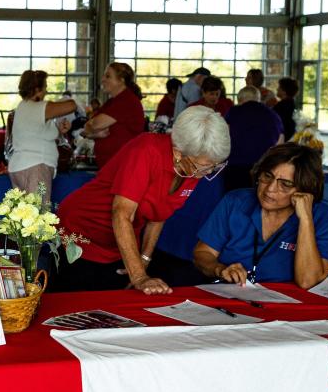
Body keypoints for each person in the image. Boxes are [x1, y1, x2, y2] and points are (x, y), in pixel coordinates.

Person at [55, 106, 231, 294]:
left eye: (214, 166)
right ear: (179, 153)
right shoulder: (146, 151)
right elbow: (122, 214)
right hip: (82, 232)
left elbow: (159, 213)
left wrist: (144, 259)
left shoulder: (192, 167)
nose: (208, 173)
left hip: (118, 241)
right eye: (204, 167)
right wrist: (139, 276)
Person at [193, 143, 328, 289]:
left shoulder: (325, 217)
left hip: (289, 304)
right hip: (231, 296)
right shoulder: (235, 202)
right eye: (267, 176)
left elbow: (308, 281)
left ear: (305, 189)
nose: (270, 189)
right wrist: (219, 269)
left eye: (285, 184)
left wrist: (306, 220)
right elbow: (203, 253)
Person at [7, 70, 78, 202]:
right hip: (36, 169)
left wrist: (59, 130)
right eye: (45, 86)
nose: (47, 91)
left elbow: (38, 133)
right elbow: (72, 105)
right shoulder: (40, 107)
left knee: (24, 216)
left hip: (21, 167)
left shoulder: (23, 106)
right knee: (39, 216)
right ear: (37, 88)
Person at [81, 62, 145, 169]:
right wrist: (94, 134)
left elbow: (96, 124)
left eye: (108, 76)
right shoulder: (111, 102)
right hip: (110, 167)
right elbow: (88, 126)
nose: (102, 80)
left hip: (122, 167)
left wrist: (92, 130)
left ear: (121, 80)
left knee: (42, 185)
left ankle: (41, 186)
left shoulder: (126, 101)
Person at [221, 86, 284, 192]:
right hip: (263, 168)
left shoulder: (233, 111)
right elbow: (280, 144)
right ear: (258, 99)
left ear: (240, 100)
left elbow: (222, 137)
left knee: (234, 200)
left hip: (235, 168)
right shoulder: (273, 115)